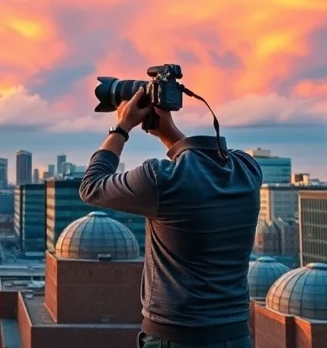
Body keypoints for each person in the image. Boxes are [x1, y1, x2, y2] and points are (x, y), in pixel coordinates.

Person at [79, 88, 262, 348]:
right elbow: (202, 165)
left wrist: (122, 127)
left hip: (175, 337)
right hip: (237, 335)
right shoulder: (248, 170)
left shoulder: (161, 179)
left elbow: (91, 186)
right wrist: (168, 132)